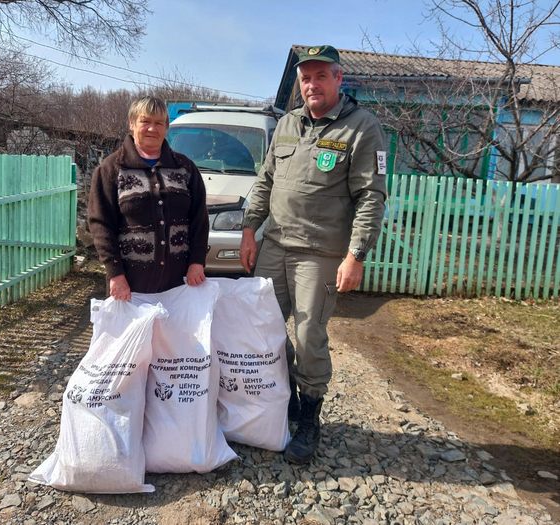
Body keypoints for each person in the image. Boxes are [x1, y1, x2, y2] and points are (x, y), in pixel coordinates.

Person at [239, 45, 388, 464]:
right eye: (306, 78)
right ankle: (284, 394)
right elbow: (266, 180)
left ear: (338, 78)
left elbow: (371, 196)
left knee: (308, 337)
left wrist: (356, 254)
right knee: (262, 329)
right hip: (275, 244)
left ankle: (309, 418)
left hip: (320, 252)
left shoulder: (361, 127)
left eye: (321, 76)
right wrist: (250, 229)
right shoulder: (288, 123)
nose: (312, 84)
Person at [88, 96, 209, 299]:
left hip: (178, 282)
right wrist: (115, 273)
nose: (152, 129)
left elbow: (199, 219)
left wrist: (197, 262)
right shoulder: (111, 169)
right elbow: (101, 224)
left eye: (159, 123)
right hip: (129, 284)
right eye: (145, 121)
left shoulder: (185, 168)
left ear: (166, 127)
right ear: (132, 123)